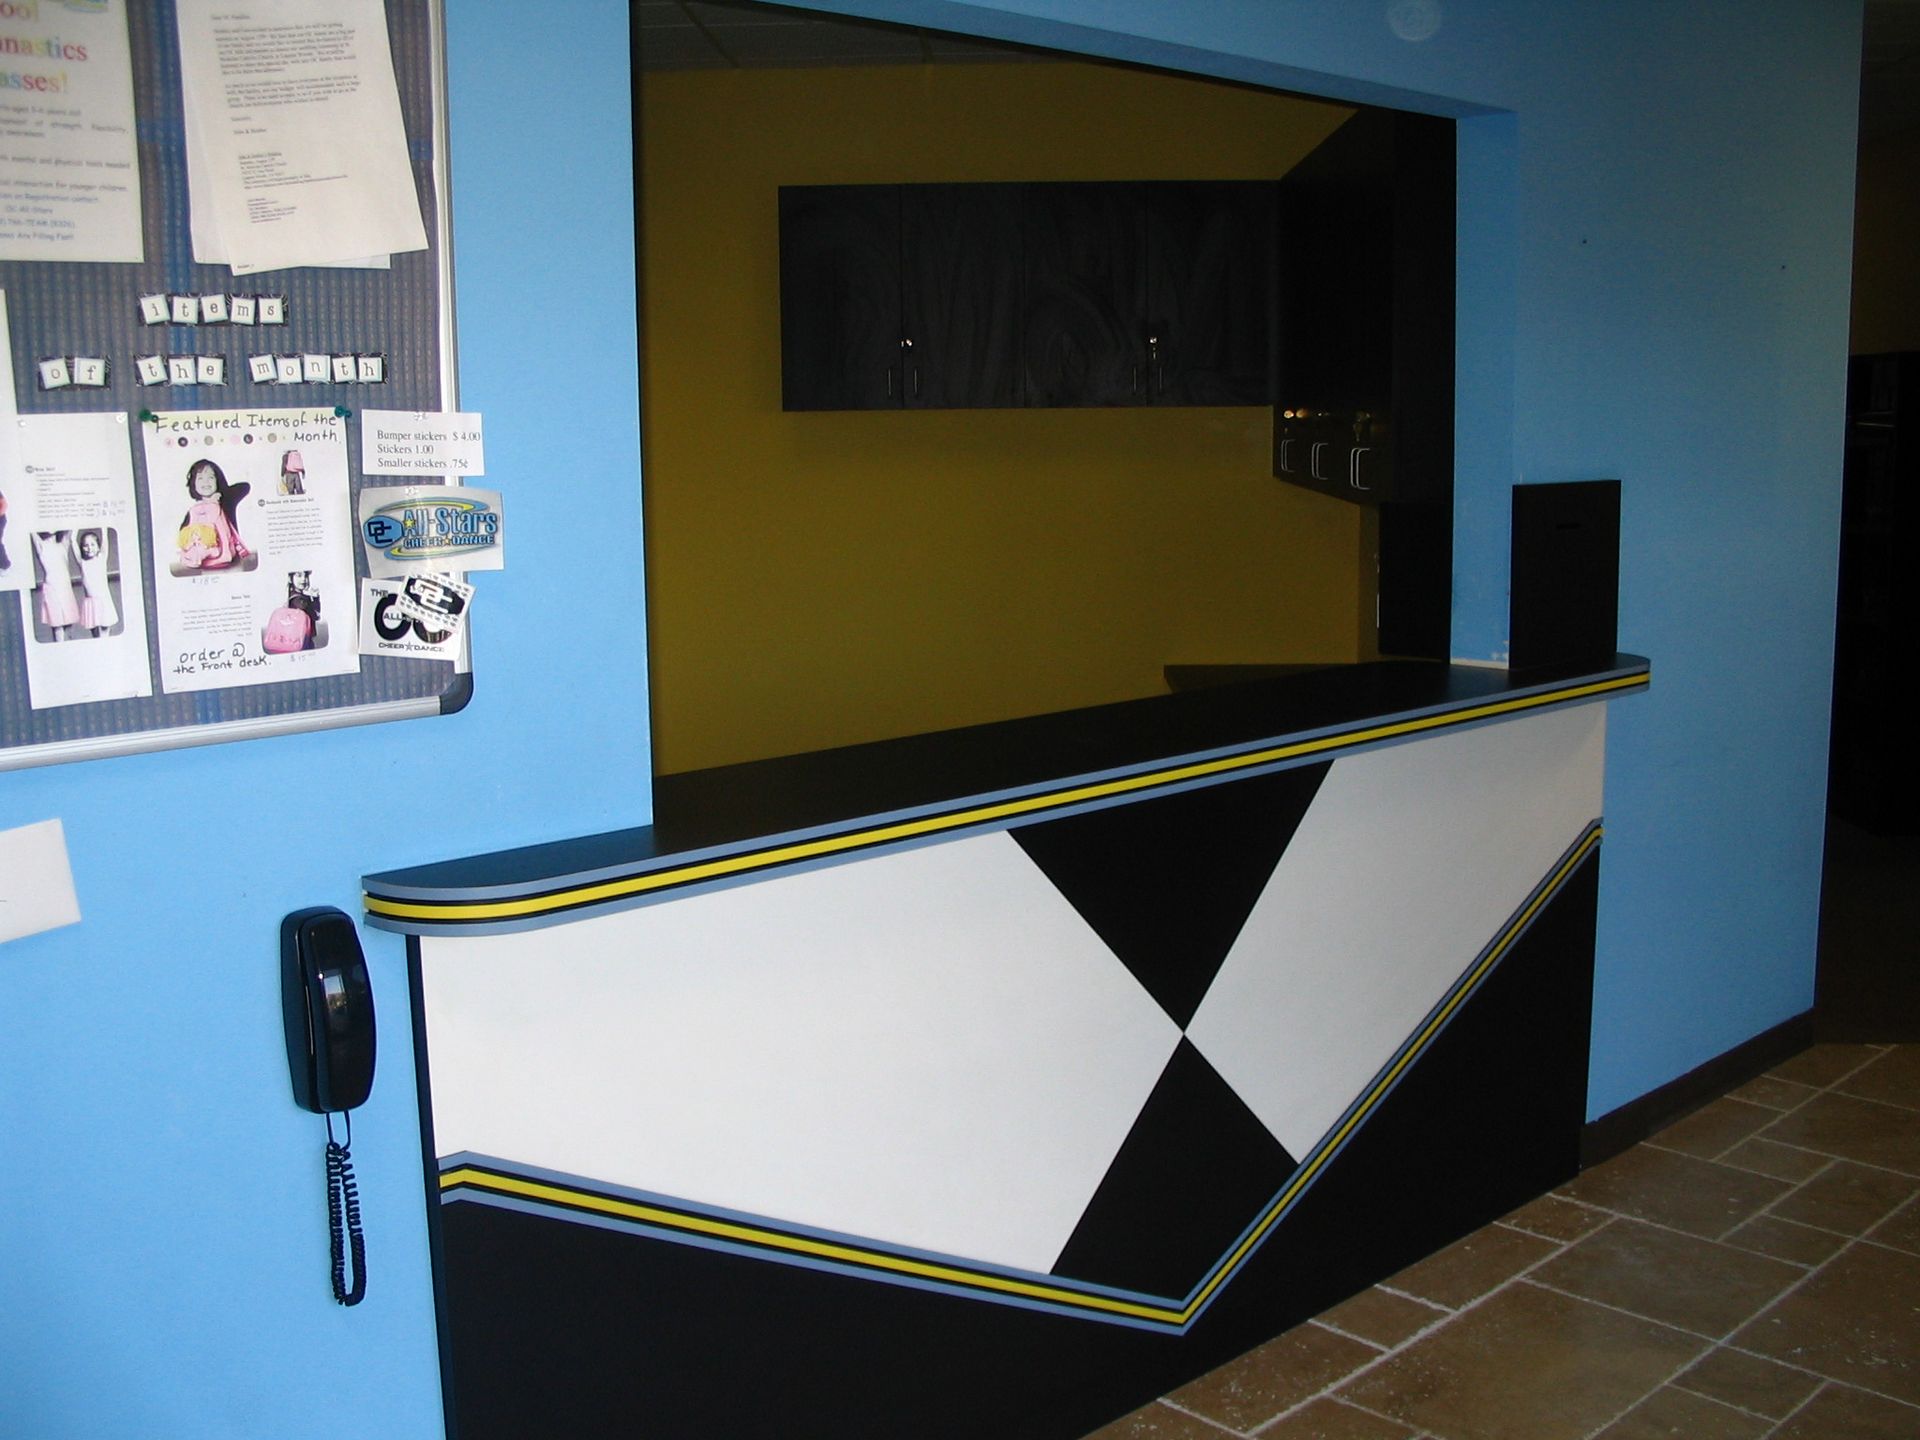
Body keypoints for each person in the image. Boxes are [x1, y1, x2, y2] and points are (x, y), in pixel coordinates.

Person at [177, 459, 252, 570]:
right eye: (200, 478)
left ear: (218, 480)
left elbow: (245, 487)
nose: (205, 482)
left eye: (211, 478)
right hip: (201, 560)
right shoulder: (194, 510)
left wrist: (220, 495)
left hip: (226, 557)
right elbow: (183, 531)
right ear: (194, 484)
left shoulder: (226, 500)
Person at [32, 530, 77, 640]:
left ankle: (69, 649)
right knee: (57, 626)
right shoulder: (41, 545)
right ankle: (60, 649)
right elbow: (31, 529)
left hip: (65, 588)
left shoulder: (63, 544)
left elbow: (72, 528)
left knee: (68, 624)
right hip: (51, 588)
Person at [75, 528, 118, 637]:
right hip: (90, 604)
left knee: (104, 634)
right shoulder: (82, 562)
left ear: (98, 547)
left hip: (104, 601)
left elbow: (105, 536)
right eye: (86, 545)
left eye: (92, 544)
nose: (89, 548)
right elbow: (72, 540)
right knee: (95, 636)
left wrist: (103, 526)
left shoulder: (101, 559)